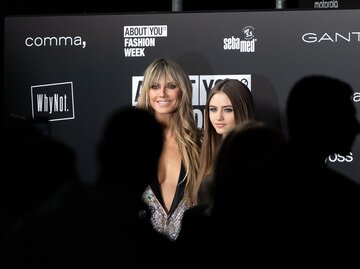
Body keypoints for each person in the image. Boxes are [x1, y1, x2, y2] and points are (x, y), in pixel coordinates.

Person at [136, 57, 201, 241]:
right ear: (147, 92)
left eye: (171, 86)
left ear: (183, 90)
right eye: (155, 86)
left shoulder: (200, 143)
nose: (162, 93)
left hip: (189, 254)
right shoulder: (132, 144)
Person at [286, 75, 360, 218]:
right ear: (321, 122)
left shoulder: (251, 185)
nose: (357, 127)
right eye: (347, 117)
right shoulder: (344, 199)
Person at [196, 78, 255, 205]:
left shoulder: (258, 158)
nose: (219, 117)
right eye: (213, 109)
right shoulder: (204, 152)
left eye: (228, 109)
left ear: (242, 110)